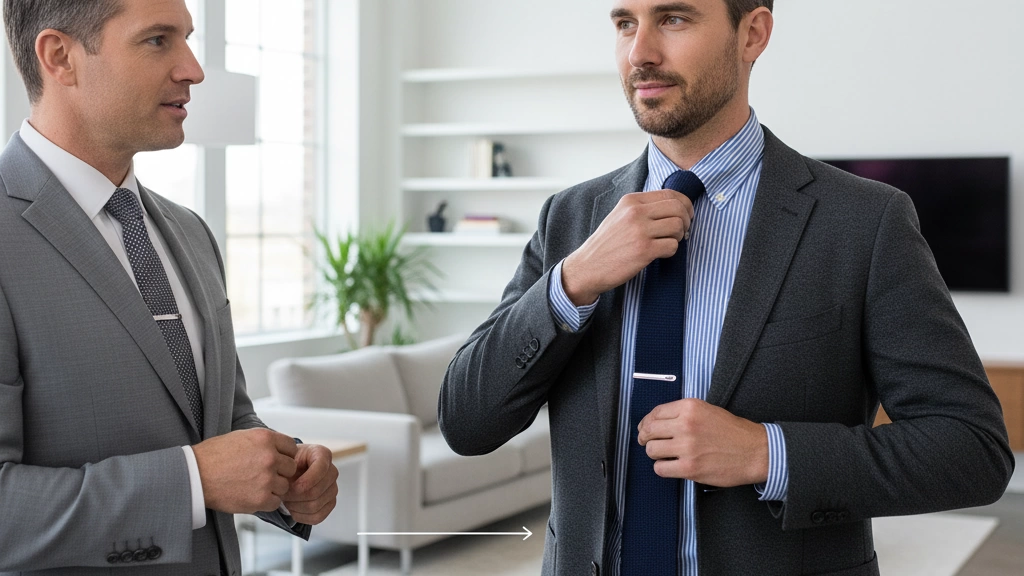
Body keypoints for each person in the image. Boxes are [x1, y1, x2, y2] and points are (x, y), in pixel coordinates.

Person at [439, 1, 1014, 575]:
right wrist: (574, 280)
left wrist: (768, 454)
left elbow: (973, 449)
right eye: (624, 24)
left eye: (674, 19)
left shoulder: (865, 221)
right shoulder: (569, 219)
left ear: (753, 33)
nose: (640, 52)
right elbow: (466, 422)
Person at [0, 0, 339, 573]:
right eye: (158, 40)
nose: (193, 69)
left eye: (186, 37)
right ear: (60, 57)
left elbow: (225, 421)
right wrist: (193, 480)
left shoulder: (189, 231)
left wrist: (286, 474)